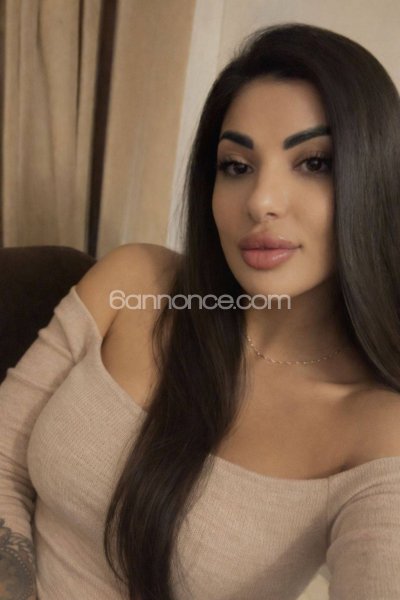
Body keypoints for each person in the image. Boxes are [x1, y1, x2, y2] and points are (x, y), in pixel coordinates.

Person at [1, 21, 400, 600]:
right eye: (236, 165)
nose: (260, 201)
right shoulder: (136, 283)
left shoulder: (376, 430)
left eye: (315, 162)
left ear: (377, 181)